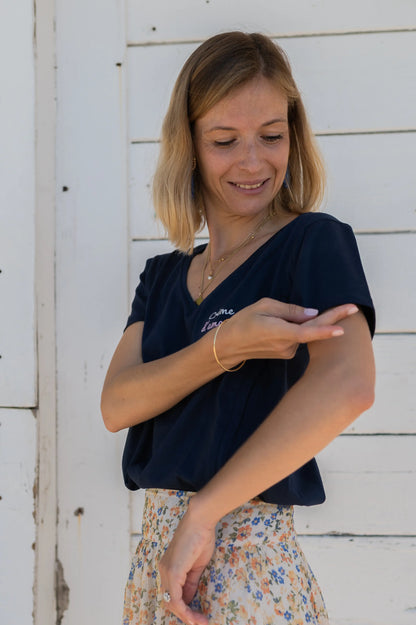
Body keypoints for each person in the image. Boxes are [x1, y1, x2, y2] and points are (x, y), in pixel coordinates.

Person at [101, 31, 375, 625]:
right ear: (191, 147)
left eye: (272, 136)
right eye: (225, 141)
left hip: (248, 565)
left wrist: (202, 517)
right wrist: (227, 346)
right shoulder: (164, 275)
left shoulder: (313, 243)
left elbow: (349, 385)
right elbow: (118, 404)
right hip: (156, 564)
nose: (254, 162)